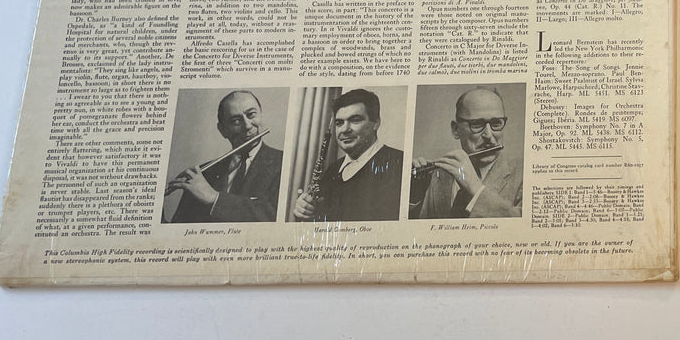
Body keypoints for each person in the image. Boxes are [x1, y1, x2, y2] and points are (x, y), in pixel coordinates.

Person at [168, 90, 283, 223]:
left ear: (261, 115)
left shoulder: (285, 163)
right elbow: (179, 228)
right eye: (236, 121)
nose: (247, 125)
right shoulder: (203, 174)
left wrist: (214, 198)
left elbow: (275, 216)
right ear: (223, 130)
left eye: (251, 114)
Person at [410, 87, 522, 219]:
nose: (488, 135)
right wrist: (414, 195)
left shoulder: (524, 175)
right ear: (456, 130)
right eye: (477, 124)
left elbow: (524, 226)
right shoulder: (437, 176)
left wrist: (476, 189)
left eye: (496, 123)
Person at [292, 89, 403, 222]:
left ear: (376, 123)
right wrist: (304, 212)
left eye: (355, 120)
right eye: (339, 123)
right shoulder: (333, 170)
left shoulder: (399, 163)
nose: (344, 130)